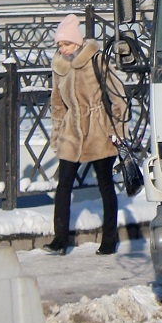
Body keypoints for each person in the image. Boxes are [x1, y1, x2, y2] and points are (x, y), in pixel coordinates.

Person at [45, 14, 124, 255]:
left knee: (105, 184)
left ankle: (109, 240)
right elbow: (57, 105)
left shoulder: (96, 61)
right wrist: (57, 134)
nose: (63, 49)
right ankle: (60, 239)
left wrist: (117, 131)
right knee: (64, 185)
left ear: (77, 43)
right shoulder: (59, 67)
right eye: (59, 45)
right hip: (71, 131)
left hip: (99, 130)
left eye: (66, 44)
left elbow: (118, 97)